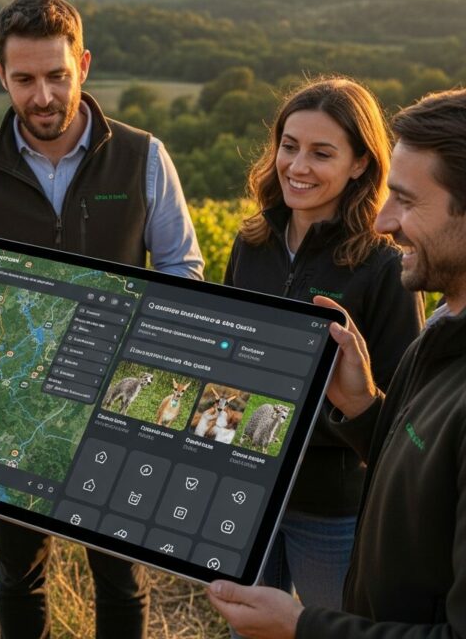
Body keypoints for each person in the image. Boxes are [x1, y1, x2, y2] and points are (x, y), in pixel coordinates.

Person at [0, 0, 204, 639]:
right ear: (1, 75)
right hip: (14, 406)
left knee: (120, 575)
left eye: (57, 75)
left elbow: (182, 269)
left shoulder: (143, 156)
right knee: (17, 570)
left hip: (120, 400)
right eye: (24, 79)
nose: (43, 96)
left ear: (84, 65)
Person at [208, 88, 466, 637]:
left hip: (328, 505)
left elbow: (409, 420)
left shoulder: (387, 267)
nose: (298, 166)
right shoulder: (252, 242)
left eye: (322, 153)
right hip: (248, 486)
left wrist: (323, 406)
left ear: (359, 165)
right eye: (289, 146)